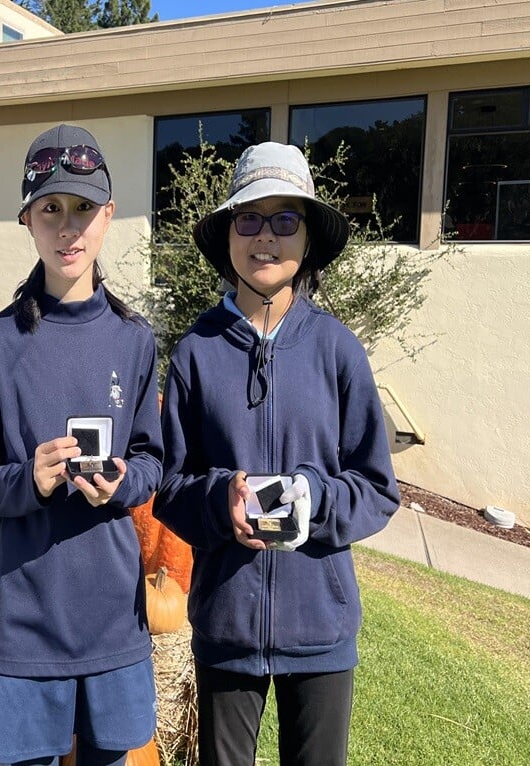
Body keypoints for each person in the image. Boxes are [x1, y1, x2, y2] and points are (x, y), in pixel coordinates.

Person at [153, 142, 400, 766]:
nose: (266, 237)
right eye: (250, 219)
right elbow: (171, 485)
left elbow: (376, 487)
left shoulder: (338, 351)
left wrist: (315, 500)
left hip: (320, 625)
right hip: (226, 624)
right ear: (229, 234)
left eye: (286, 219)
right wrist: (218, 501)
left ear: (308, 238)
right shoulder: (195, 354)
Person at [0, 124, 164, 766]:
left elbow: (154, 459)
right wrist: (29, 481)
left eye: (82, 209)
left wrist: (123, 482)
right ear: (27, 218)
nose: (67, 228)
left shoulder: (135, 340)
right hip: (25, 614)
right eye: (50, 209)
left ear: (109, 215)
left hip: (112, 614)